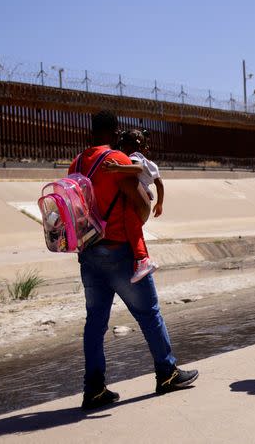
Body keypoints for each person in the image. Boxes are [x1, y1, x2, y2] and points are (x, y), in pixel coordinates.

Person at [71, 110, 198, 410]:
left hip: (88, 253)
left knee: (95, 323)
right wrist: (141, 212)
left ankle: (94, 389)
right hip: (120, 252)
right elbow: (141, 206)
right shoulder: (117, 160)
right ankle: (166, 374)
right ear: (115, 132)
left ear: (92, 131)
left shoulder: (76, 164)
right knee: (149, 313)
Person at [104, 129, 164, 283]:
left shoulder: (134, 157)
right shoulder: (150, 163)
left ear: (128, 146)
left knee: (133, 228)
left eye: (122, 146)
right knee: (135, 228)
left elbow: (137, 169)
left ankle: (142, 260)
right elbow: (160, 184)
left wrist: (117, 168)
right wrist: (160, 203)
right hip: (145, 200)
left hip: (137, 200)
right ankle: (142, 259)